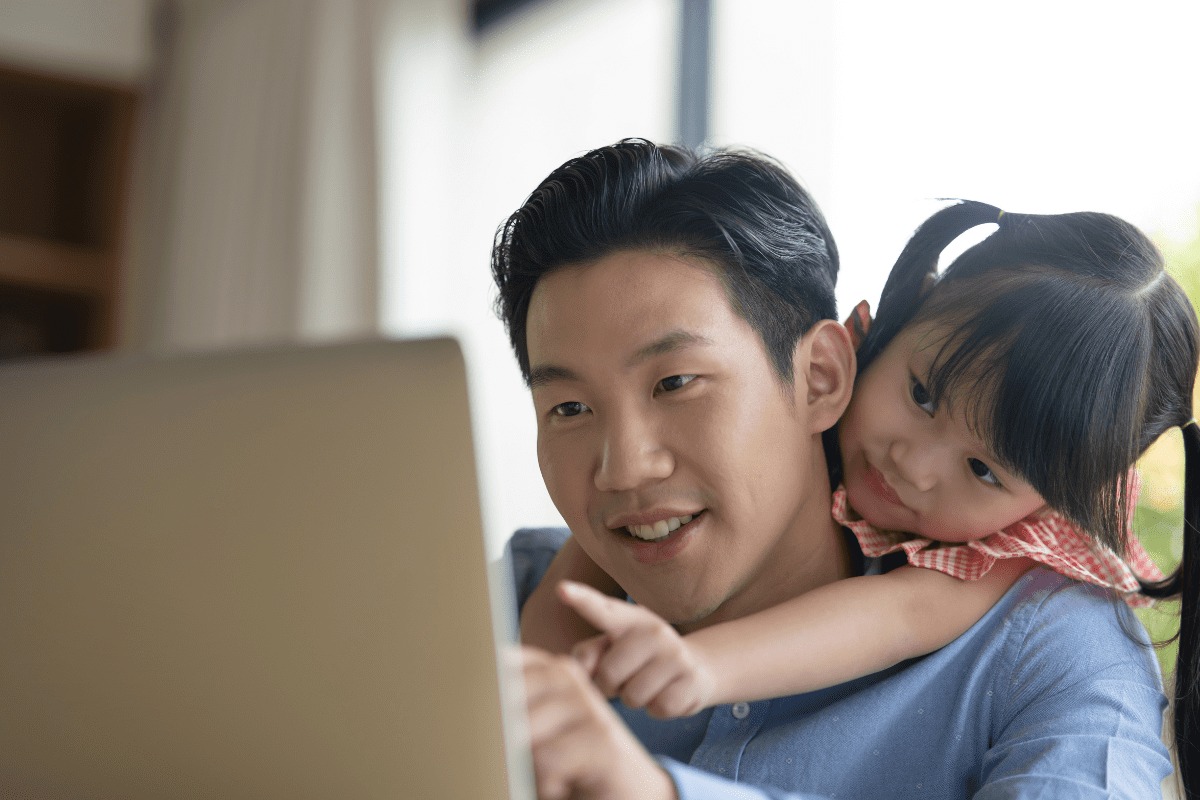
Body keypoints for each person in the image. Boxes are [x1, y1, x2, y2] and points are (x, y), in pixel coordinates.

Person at [493, 138, 1175, 799]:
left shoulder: (1037, 632)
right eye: (570, 406)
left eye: (675, 383)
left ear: (820, 377)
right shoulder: (498, 599)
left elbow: (903, 615)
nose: (623, 469)